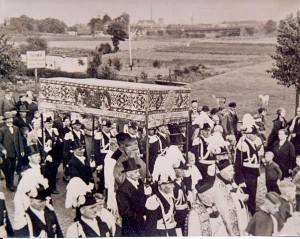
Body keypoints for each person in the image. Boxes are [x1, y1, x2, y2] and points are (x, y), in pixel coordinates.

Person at [116, 157, 152, 236]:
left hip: (142, 224)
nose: (139, 174)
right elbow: (125, 212)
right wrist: (142, 216)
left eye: (138, 171)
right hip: (131, 227)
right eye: (136, 172)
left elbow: (143, 200)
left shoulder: (139, 182)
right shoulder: (122, 190)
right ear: (128, 174)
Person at [213, 159, 250, 236]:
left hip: (241, 216)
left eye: (232, 170)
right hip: (230, 220)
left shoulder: (229, 180)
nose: (233, 173)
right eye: (230, 171)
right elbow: (224, 206)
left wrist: (241, 195)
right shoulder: (218, 187)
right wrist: (240, 199)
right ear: (223, 173)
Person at [234, 114, 261, 215]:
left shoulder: (253, 143)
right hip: (247, 174)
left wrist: (257, 174)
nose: (255, 136)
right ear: (249, 134)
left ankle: (253, 212)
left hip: (253, 173)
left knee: (253, 195)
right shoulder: (243, 145)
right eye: (254, 134)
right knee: (248, 195)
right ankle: (249, 214)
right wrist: (240, 179)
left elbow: (256, 160)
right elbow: (238, 164)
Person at [0, 111, 25, 192]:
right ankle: (9, 184)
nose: (10, 121)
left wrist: (21, 150)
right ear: (5, 120)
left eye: (11, 119)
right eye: (8, 119)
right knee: (8, 168)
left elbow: (20, 140)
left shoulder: (16, 128)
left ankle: (10, 184)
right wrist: (3, 149)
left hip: (15, 152)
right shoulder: (2, 130)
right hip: (6, 153)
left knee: (13, 168)